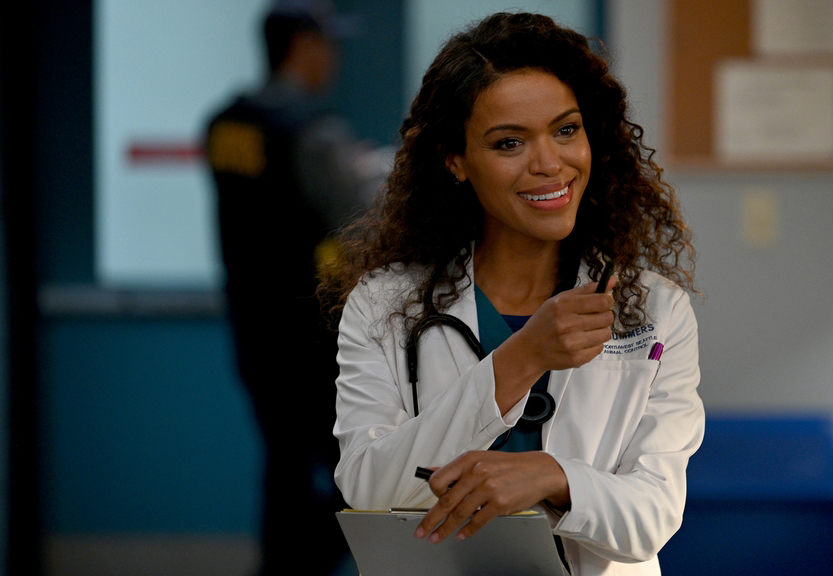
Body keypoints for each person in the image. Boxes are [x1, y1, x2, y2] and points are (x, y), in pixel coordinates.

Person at [319, 12, 704, 576]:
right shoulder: (383, 305)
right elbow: (369, 485)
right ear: (455, 160)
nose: (549, 164)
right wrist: (521, 359)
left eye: (566, 130)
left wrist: (555, 477)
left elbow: (655, 516)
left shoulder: (654, 310)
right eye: (509, 143)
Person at [205, 2, 382, 574]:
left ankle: (282, 564)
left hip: (252, 326)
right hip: (310, 334)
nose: (333, 59)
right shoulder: (311, 129)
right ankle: (308, 558)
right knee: (361, 469)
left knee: (283, 459)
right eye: (327, 46)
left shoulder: (226, 124)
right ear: (302, 47)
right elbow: (352, 216)